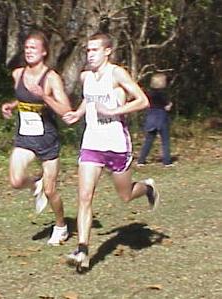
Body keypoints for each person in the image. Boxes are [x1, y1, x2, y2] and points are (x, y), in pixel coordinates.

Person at [62, 33, 160, 271]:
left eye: (94, 50)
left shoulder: (116, 73)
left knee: (125, 195)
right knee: (84, 197)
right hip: (92, 143)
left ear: (108, 51)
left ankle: (147, 187)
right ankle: (83, 250)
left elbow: (143, 101)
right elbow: (89, 100)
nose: (90, 55)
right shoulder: (86, 77)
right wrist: (78, 113)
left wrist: (115, 111)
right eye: (87, 50)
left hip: (117, 144)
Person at [1, 30, 72, 246]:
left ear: (44, 52)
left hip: (47, 140)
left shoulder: (51, 78)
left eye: (34, 47)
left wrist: (44, 96)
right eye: (26, 47)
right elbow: (23, 98)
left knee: (51, 191)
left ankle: (61, 226)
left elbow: (66, 111)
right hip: (24, 138)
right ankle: (35, 183)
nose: (29, 51)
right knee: (15, 181)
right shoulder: (18, 74)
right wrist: (12, 106)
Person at [137, 73, 173, 167]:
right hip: (161, 118)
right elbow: (166, 106)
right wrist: (169, 105)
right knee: (165, 141)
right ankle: (167, 161)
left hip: (151, 117)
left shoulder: (148, 93)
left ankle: (141, 160)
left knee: (148, 140)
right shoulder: (163, 94)